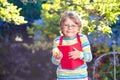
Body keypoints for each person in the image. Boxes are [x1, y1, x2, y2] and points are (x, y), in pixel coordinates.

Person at [52, 11, 92, 80]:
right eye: (66, 25)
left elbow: (89, 57)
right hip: (63, 77)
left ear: (78, 28)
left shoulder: (82, 38)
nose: (70, 28)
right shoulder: (57, 41)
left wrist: (80, 54)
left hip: (80, 77)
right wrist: (57, 58)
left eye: (73, 25)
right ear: (61, 27)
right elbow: (54, 61)